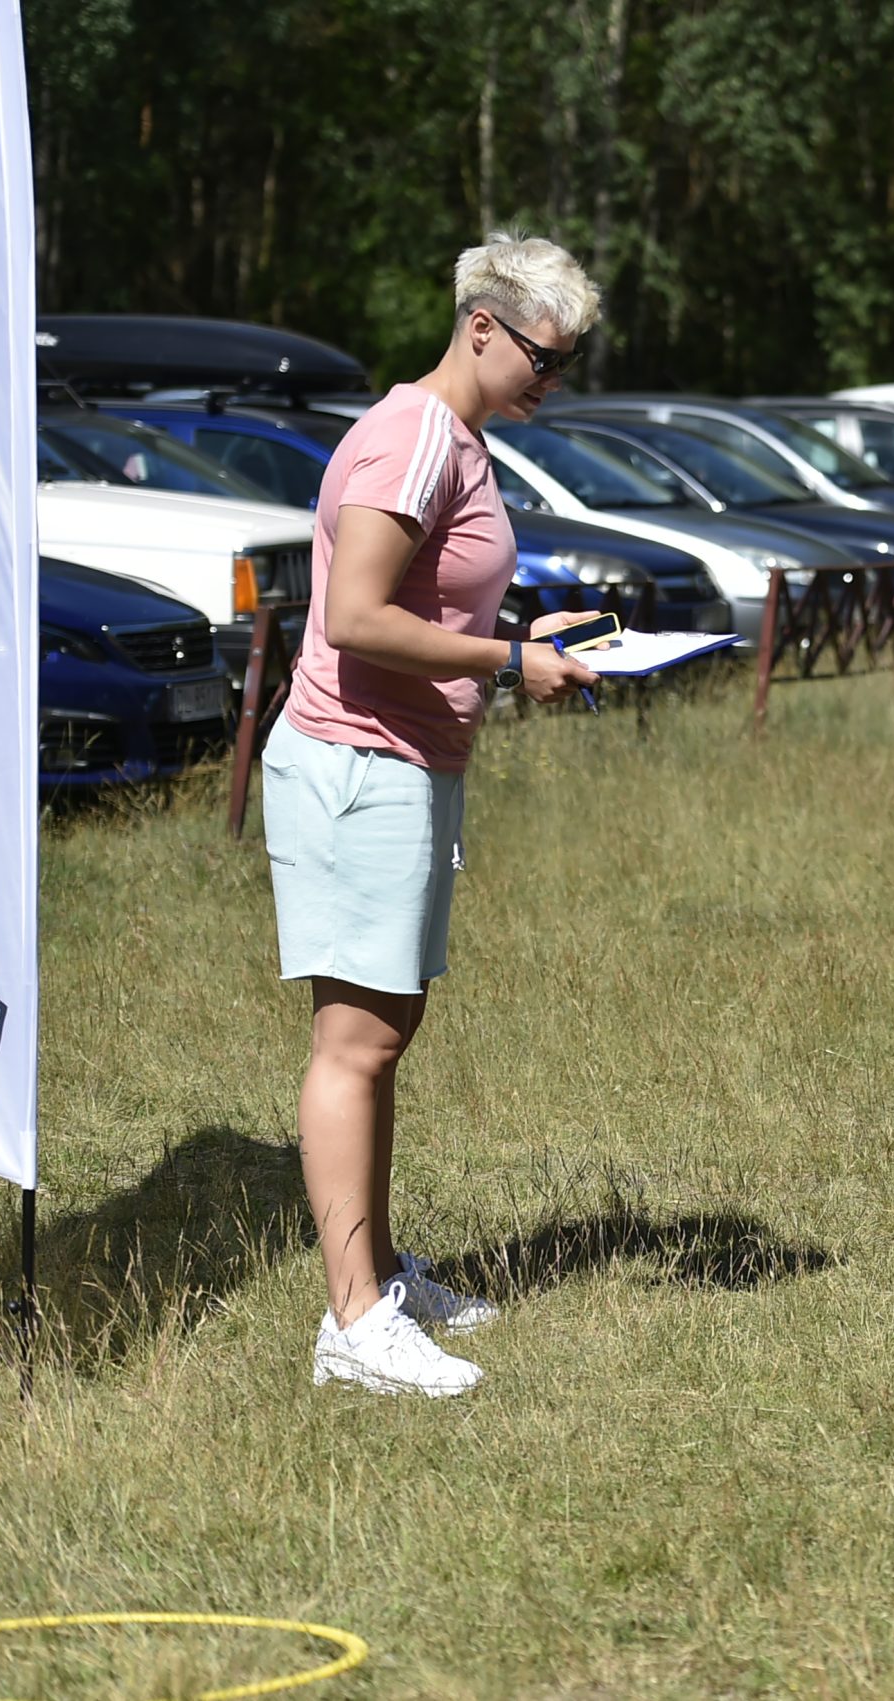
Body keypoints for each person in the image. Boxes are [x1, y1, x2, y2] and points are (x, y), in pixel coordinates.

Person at [265, 232, 604, 1397]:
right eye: (544, 358)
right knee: (352, 1045)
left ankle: (378, 1279)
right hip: (358, 764)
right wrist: (509, 660)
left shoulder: (455, 437)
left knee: (382, 1038)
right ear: (481, 326)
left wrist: (523, 638)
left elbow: (425, 602)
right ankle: (353, 1325)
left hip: (403, 763)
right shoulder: (415, 435)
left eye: (565, 363)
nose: (552, 381)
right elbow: (353, 617)